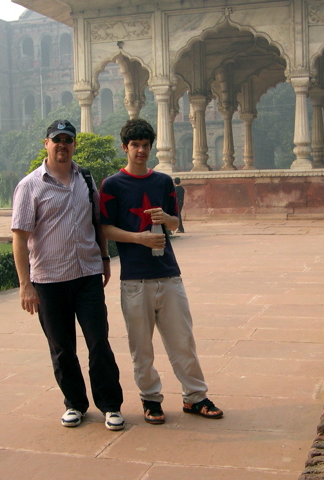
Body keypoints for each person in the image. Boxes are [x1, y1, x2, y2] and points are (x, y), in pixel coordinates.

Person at [100, 118, 223, 425]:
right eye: (135, 145)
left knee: (182, 340)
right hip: (135, 278)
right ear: (124, 147)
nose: (141, 151)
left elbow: (173, 224)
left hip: (167, 273)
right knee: (141, 346)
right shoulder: (112, 185)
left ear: (151, 147)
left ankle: (195, 396)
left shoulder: (164, 182)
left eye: (145, 145)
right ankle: (150, 399)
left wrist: (167, 217)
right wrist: (138, 238)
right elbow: (104, 229)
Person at [11, 119, 124, 431]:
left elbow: (97, 223)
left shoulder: (85, 180)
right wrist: (25, 285)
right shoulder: (30, 185)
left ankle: (110, 405)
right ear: (46, 144)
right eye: (56, 139)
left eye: (68, 140)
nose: (62, 145)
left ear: (74, 145)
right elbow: (19, 238)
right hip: (48, 281)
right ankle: (75, 403)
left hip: (87, 274)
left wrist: (104, 258)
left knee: (99, 342)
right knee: (62, 349)